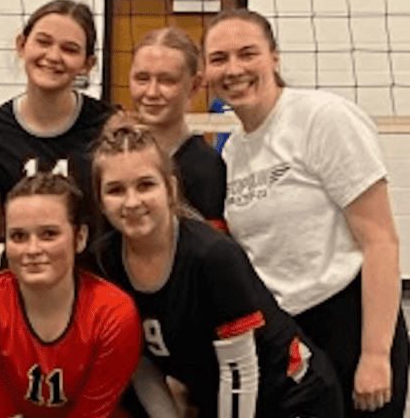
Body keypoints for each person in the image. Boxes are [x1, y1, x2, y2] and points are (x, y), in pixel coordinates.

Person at [203, 8, 408, 417]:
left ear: (274, 57)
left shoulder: (321, 117)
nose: (234, 68)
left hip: (349, 320)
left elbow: (381, 240)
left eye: (248, 53)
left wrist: (374, 354)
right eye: (219, 58)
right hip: (290, 334)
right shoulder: (232, 150)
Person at [92, 125, 344, 418]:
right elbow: (140, 361)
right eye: (115, 190)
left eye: (146, 185)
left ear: (171, 189)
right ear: (99, 200)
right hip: (219, 398)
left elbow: (240, 372)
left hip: (292, 398)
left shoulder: (212, 256)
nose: (132, 202)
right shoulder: (105, 260)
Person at [0, 172, 141, 418]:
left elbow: (92, 414)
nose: (32, 249)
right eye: (19, 236)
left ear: (80, 238)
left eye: (49, 234)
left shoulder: (113, 313)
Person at [0, 0, 115, 230]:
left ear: (87, 64)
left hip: (94, 264)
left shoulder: (108, 124)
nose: (53, 56)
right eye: (43, 42)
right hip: (24, 262)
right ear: (21, 45)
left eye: (69, 49)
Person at [127, 27, 226, 228]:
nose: (152, 92)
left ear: (195, 85)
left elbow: (212, 252)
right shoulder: (118, 156)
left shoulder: (207, 167)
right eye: (142, 78)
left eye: (167, 80)